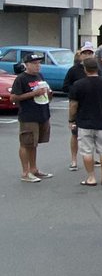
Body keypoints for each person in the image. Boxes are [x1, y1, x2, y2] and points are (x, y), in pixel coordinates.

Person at [68, 57, 102, 186]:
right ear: (97, 68)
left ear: (85, 69)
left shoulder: (78, 84)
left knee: (87, 151)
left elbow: (73, 104)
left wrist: (71, 120)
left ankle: (91, 177)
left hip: (84, 122)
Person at [11, 52, 53, 182]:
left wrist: (48, 93)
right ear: (26, 65)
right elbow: (14, 98)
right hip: (28, 115)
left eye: (39, 63)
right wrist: (33, 94)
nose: (37, 66)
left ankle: (34, 169)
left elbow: (45, 94)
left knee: (33, 144)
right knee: (25, 143)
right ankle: (25, 172)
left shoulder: (40, 76)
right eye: (34, 63)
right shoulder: (21, 79)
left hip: (42, 113)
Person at [63, 45, 93, 170]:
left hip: (92, 105)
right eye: (85, 53)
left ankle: (92, 157)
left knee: (93, 133)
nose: (87, 55)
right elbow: (65, 86)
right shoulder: (73, 70)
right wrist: (77, 91)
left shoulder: (96, 69)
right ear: (80, 55)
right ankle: (74, 160)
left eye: (90, 53)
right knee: (75, 133)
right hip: (77, 105)